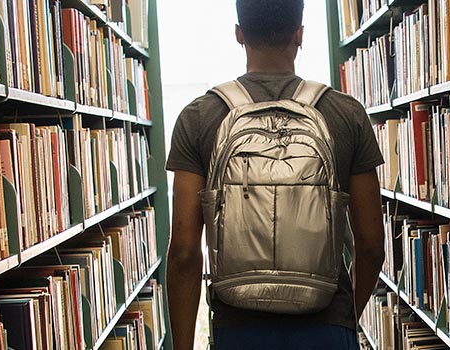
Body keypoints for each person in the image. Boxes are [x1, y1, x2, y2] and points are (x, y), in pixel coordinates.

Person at [164, 0, 386, 349]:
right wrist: (346, 315)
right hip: (326, 324)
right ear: (300, 34)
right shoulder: (346, 115)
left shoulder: (199, 117)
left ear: (239, 35)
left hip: (237, 327)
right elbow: (372, 246)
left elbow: (184, 254)